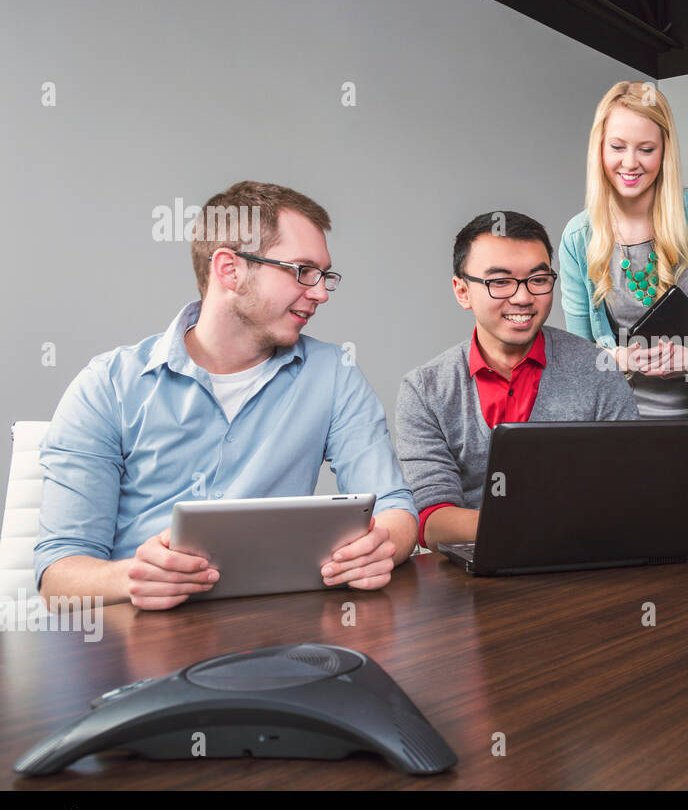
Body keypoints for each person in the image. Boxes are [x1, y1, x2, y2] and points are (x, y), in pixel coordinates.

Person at [35, 181, 417, 609]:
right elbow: (57, 575)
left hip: (279, 633)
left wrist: (383, 545)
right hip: (140, 639)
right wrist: (132, 577)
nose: (321, 292)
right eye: (302, 271)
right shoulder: (108, 384)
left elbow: (393, 504)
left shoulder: (334, 373)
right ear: (230, 270)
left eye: (325, 275)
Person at [396, 211, 639, 551]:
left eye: (538, 280)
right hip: (471, 578)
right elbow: (431, 520)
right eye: (500, 282)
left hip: (584, 562)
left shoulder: (597, 368)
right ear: (462, 291)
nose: (523, 297)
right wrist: (534, 523)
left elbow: (629, 486)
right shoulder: (425, 390)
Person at [558, 81, 688, 418]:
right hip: (623, 417)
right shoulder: (578, 237)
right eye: (617, 146)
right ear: (600, 149)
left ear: (665, 151)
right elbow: (580, 356)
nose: (630, 162)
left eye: (646, 149)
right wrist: (621, 359)